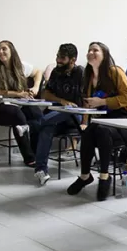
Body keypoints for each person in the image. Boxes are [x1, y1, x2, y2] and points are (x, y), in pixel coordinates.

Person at [67, 42, 127, 201]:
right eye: (89, 50)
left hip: (125, 121)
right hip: (104, 121)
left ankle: (104, 176)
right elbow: (89, 103)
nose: (91, 52)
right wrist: (84, 120)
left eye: (95, 50)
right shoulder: (89, 76)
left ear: (104, 54)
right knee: (88, 131)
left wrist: (102, 102)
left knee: (101, 130)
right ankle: (85, 176)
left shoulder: (115, 72)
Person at [30, 44, 84, 186]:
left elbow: (87, 98)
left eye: (62, 58)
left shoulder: (80, 73)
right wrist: (61, 101)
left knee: (68, 111)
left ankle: (32, 125)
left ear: (73, 60)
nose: (58, 60)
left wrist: (85, 121)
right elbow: (46, 94)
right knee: (47, 128)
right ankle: (41, 170)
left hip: (75, 115)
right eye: (57, 56)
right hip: (55, 116)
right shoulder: (56, 71)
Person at [0, 40, 43, 166]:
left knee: (36, 114)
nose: (0, 52)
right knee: (17, 115)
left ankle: (38, 154)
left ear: (12, 51)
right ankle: (29, 158)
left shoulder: (20, 65)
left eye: (4, 49)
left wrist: (36, 87)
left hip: (18, 104)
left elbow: (38, 72)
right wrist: (18, 94)